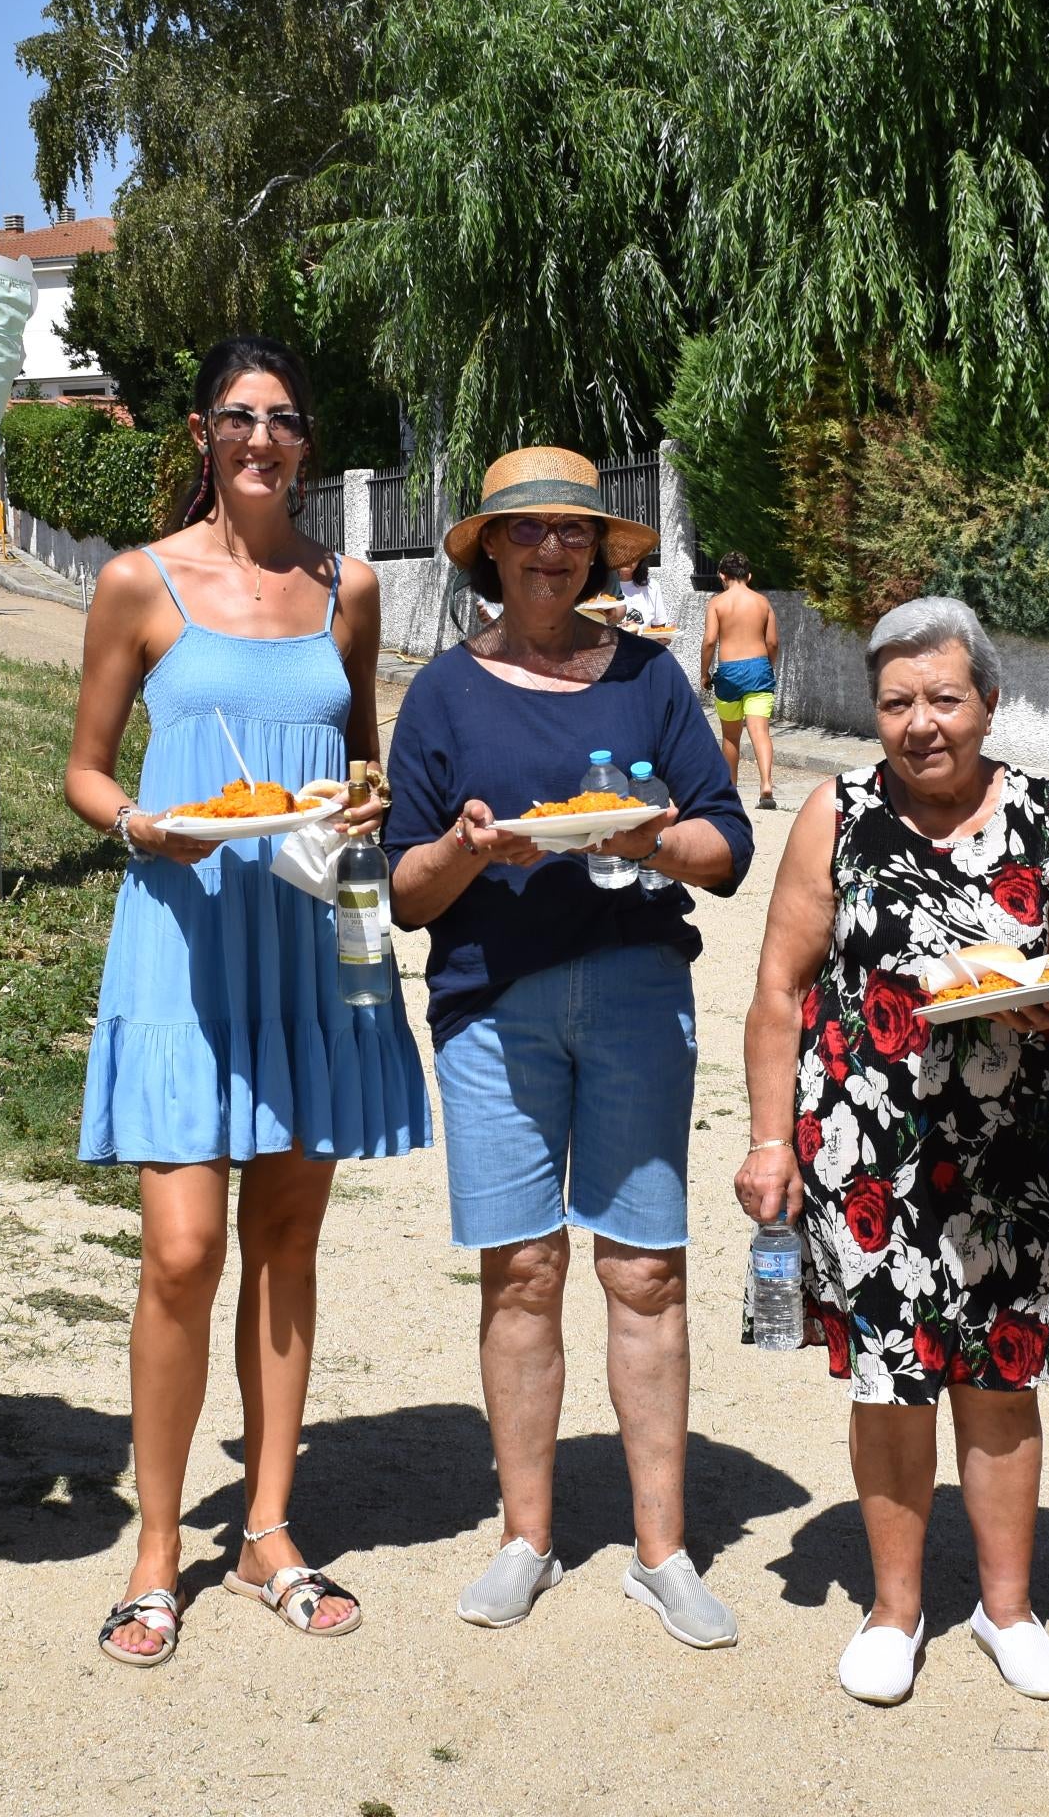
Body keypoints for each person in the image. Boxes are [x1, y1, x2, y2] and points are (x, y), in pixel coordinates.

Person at [63, 336, 431, 1668]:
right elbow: (87, 773)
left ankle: (269, 1526)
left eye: (283, 419)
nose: (262, 439)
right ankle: (158, 1546)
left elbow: (359, 762)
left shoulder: (351, 587)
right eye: (239, 417)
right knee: (180, 1252)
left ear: (306, 441)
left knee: (289, 1238)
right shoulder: (137, 582)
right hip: (185, 931)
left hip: (320, 927)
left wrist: (375, 822)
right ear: (204, 435)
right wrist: (143, 824)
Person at [385, 447, 755, 1650]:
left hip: (640, 987)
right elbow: (403, 889)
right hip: (493, 1006)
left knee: (643, 1267)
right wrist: (469, 850)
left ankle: (662, 1550)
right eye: (527, 530)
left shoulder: (651, 678)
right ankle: (526, 1535)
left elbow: (728, 842)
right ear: (488, 548)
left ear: (602, 550)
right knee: (522, 1267)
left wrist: (650, 842)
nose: (552, 549)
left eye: (574, 532)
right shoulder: (444, 693)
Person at [735, 596, 1049, 1705]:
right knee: (891, 1383)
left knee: (1003, 1382)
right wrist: (771, 1138)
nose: (920, 723)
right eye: (897, 700)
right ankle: (894, 1608)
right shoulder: (835, 812)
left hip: (1016, 1152)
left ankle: (1008, 1608)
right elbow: (779, 985)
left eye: (944, 698)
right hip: (871, 1155)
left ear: (990, 703)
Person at [699, 551, 780, 809]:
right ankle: (766, 784)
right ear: (749, 575)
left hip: (729, 671)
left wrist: (704, 673)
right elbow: (772, 642)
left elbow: (710, 640)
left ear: (722, 575)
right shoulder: (762, 602)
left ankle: (730, 791)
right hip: (759, 668)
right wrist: (768, 665)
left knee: (731, 736)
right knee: (760, 731)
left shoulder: (717, 603)